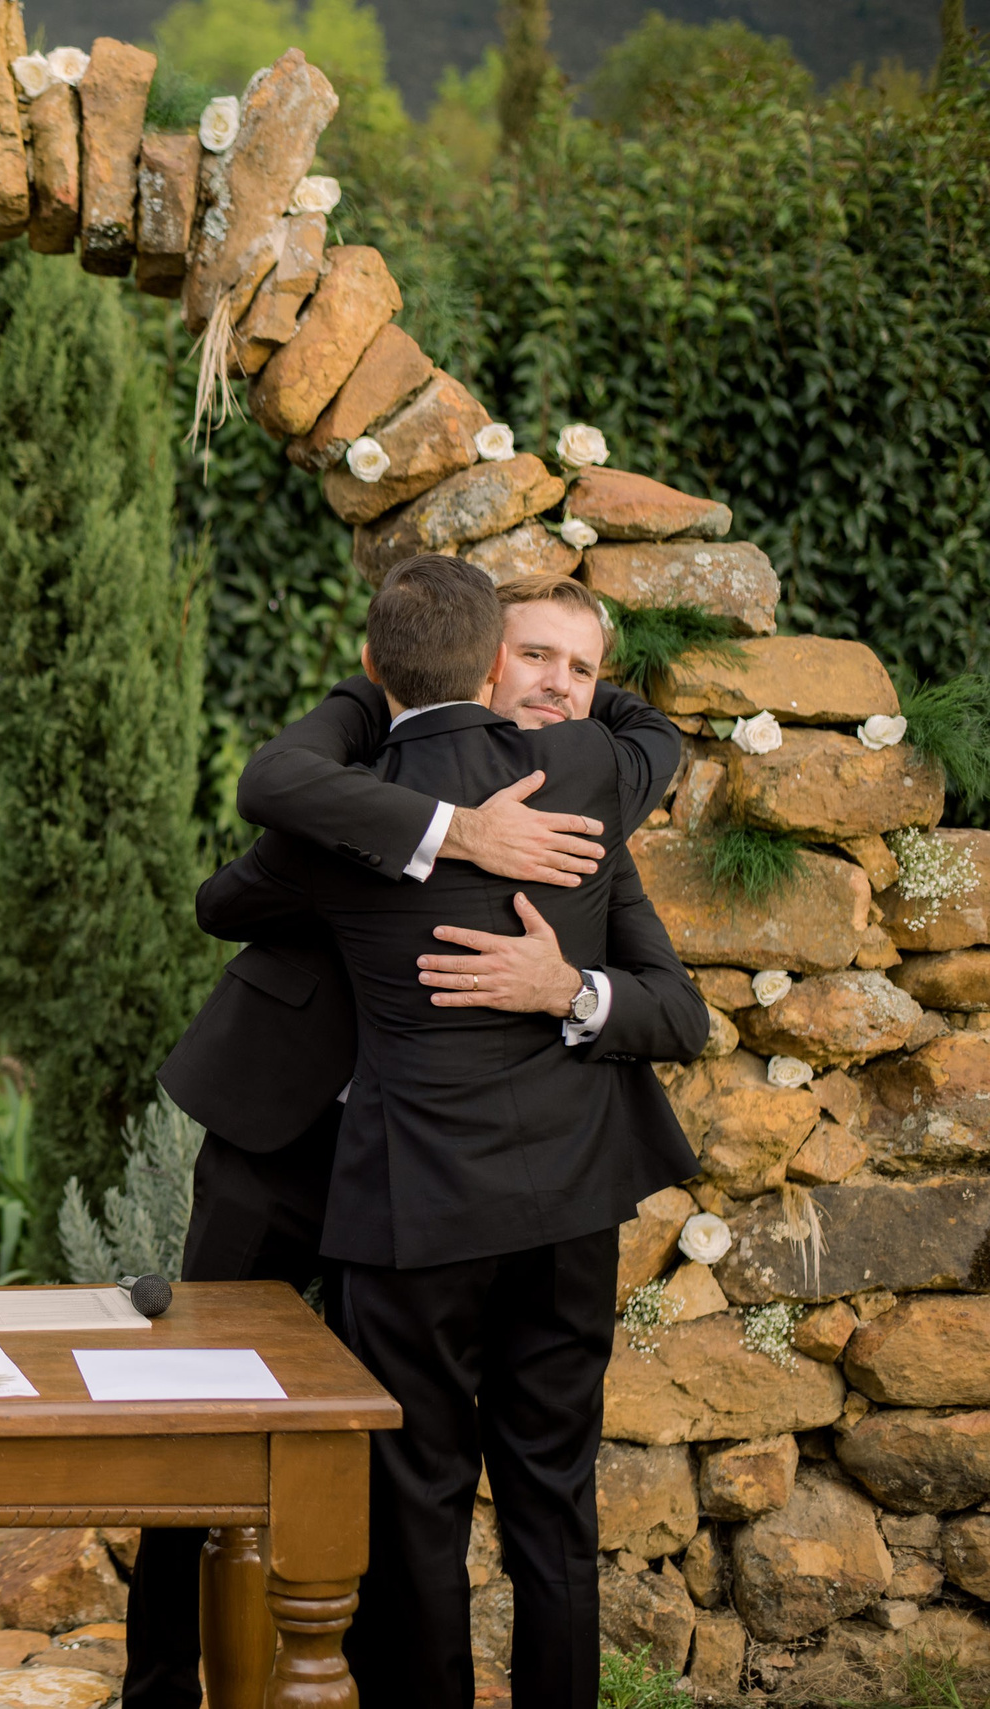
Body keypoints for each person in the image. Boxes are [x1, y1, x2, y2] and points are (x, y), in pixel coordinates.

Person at [125, 572, 704, 1709]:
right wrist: (431, 834)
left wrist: (561, 982)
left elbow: (671, 1007)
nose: (555, 684)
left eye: (580, 670)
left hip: (443, 1189)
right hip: (287, 1146)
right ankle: (157, 1684)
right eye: (534, 656)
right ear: (485, 662)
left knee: (411, 1479)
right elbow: (228, 892)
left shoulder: (581, 820)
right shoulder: (348, 795)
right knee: (199, 1416)